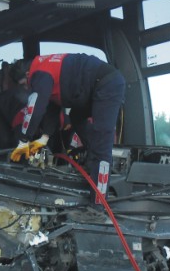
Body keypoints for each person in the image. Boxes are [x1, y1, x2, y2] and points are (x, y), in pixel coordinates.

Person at [9, 53, 125, 205]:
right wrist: (45, 137)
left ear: (27, 74)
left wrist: (24, 140)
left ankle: (99, 205)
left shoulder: (39, 72)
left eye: (24, 84)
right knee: (77, 116)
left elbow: (35, 108)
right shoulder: (46, 69)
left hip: (107, 84)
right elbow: (51, 107)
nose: (26, 88)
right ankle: (91, 160)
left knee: (101, 145)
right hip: (96, 86)